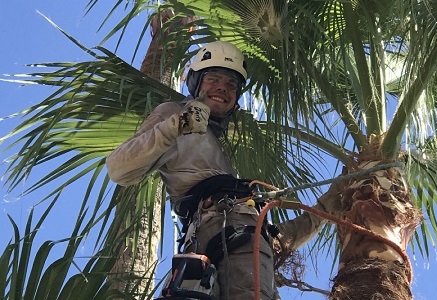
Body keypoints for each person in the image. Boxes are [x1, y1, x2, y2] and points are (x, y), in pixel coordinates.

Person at [106, 41, 339, 300]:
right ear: (195, 82)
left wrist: (337, 196)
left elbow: (274, 234)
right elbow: (119, 168)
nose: (222, 88)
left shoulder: (228, 145)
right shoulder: (175, 113)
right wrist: (178, 124)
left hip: (235, 235)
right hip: (217, 227)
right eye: (213, 78)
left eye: (231, 85)